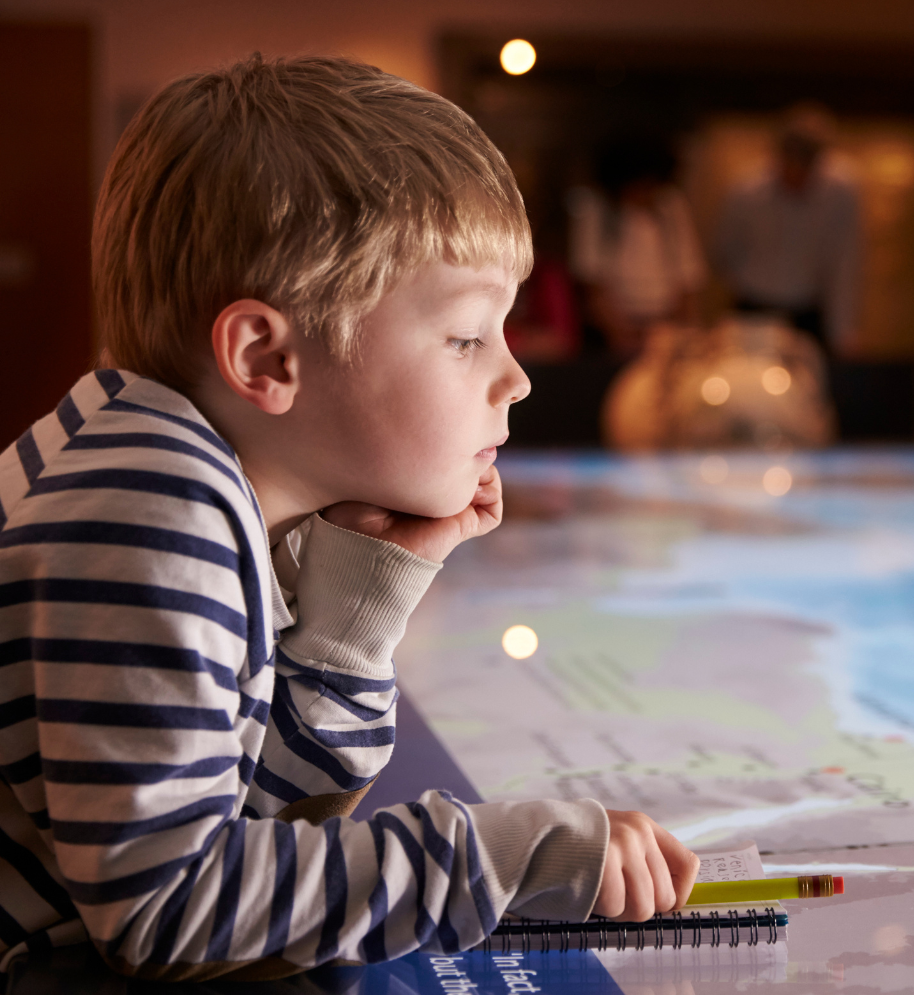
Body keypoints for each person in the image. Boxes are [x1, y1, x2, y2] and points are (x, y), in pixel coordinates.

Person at [0, 55, 698, 981]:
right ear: (266, 358)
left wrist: (361, 605)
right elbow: (170, 916)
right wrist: (501, 857)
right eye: (464, 337)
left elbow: (262, 815)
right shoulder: (151, 517)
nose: (515, 378)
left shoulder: (165, 458)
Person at [713, 105, 862, 355]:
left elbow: (845, 262)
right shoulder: (747, 190)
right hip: (753, 307)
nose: (796, 177)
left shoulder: (841, 192)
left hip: (808, 312)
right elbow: (723, 252)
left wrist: (843, 330)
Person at [568, 135, 707, 355]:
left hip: (664, 325)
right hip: (614, 329)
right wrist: (620, 333)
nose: (645, 193)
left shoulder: (672, 206)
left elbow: (688, 277)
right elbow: (592, 283)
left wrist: (683, 329)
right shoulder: (597, 209)